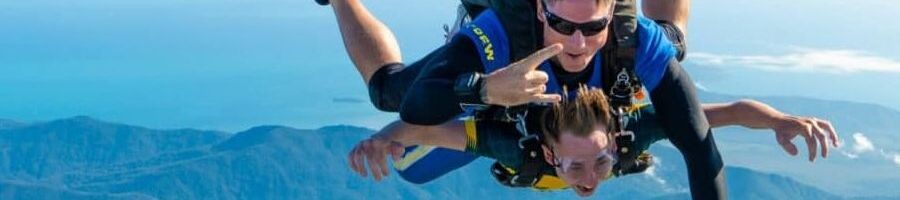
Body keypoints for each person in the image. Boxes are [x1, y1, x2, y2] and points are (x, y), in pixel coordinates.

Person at [316, 0, 840, 198]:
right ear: (540, 10)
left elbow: (703, 140)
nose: (575, 43)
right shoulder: (504, 35)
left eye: (591, 27)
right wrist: (484, 88)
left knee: (672, 42)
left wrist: (776, 119)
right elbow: (419, 116)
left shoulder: (634, 45)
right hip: (498, 80)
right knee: (388, 91)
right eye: (562, 25)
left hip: (525, 121)